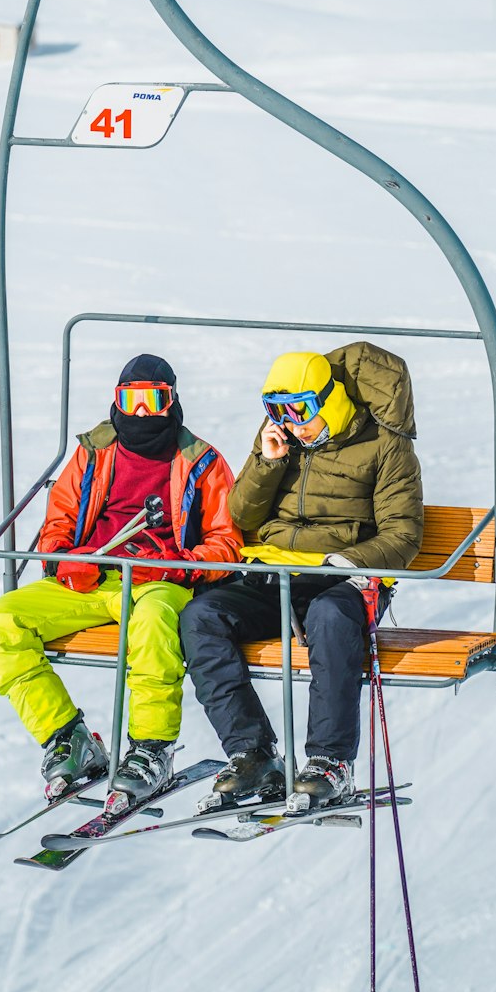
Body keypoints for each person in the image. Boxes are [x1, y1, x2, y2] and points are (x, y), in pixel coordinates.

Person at [0, 355, 242, 805]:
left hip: (155, 581)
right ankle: (67, 738)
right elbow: (57, 520)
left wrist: (179, 564)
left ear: (171, 402)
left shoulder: (201, 461)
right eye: (131, 400)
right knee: (1, 621)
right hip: (91, 580)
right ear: (116, 400)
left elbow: (226, 543)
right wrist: (62, 559)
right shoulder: (94, 452)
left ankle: (150, 750)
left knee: (154, 622)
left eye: (152, 401)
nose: (141, 413)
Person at [179, 343, 423, 811]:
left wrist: (348, 563)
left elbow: (404, 533)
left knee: (330, 620)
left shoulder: (386, 445)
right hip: (277, 576)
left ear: (328, 398)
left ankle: (330, 761)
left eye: (300, 408)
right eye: (276, 410)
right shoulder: (280, 437)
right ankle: (252, 754)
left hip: (344, 580)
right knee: (203, 616)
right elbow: (242, 512)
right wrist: (268, 461)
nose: (289, 419)